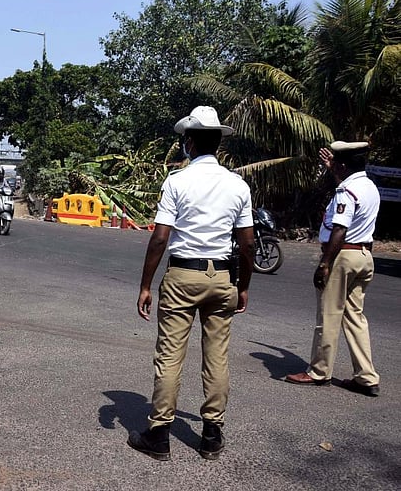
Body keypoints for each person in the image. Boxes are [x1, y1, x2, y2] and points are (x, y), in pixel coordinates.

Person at [128, 106, 254, 461]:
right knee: (217, 356)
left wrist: (145, 285)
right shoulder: (237, 184)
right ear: (218, 143)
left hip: (182, 275)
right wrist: (243, 284)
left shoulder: (177, 181)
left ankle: (159, 434)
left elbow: (159, 238)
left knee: (170, 356)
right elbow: (247, 243)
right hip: (223, 278)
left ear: (189, 141)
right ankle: (212, 434)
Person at [285, 141, 381, 396]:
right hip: (364, 255)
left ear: (343, 165)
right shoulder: (368, 186)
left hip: (343, 255)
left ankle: (318, 371)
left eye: (336, 164)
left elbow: (339, 228)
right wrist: (334, 171)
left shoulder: (346, 191)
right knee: (355, 317)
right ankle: (366, 377)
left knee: (329, 315)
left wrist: (324, 263)